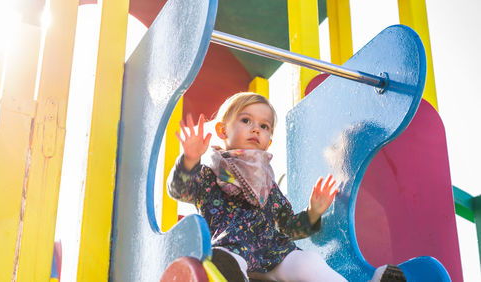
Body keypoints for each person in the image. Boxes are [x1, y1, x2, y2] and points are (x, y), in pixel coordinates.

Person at [167, 92, 405, 282]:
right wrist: (189, 160)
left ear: (268, 141)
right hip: (233, 249)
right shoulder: (211, 171)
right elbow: (180, 190)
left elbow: (289, 227)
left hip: (276, 254)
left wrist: (314, 212)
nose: (255, 129)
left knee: (309, 263)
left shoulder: (267, 183)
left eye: (264, 126)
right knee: (224, 259)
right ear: (222, 130)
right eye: (246, 120)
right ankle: (228, 274)